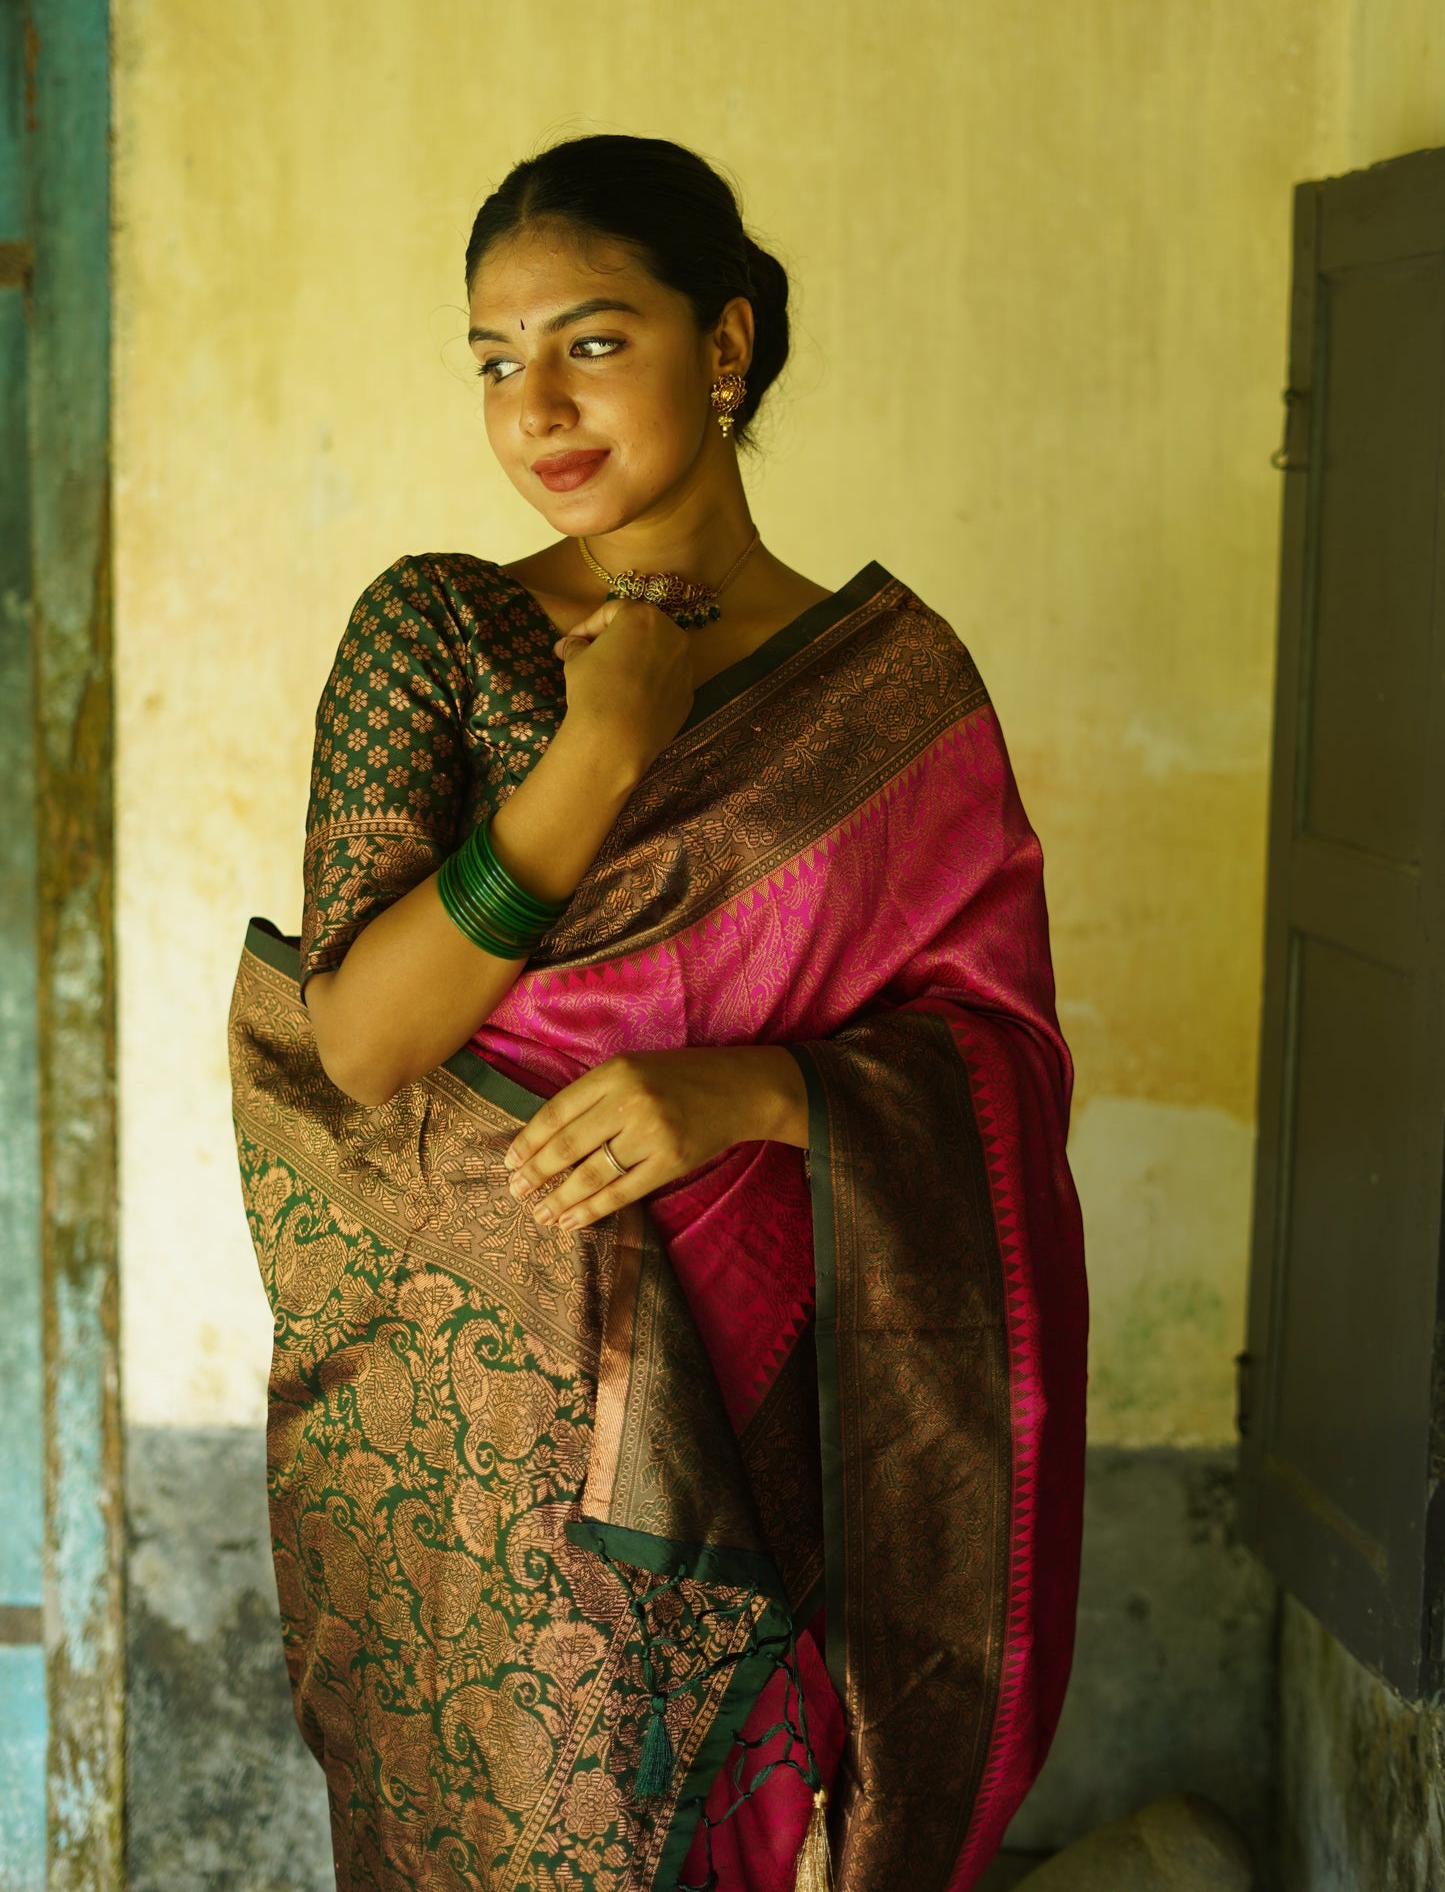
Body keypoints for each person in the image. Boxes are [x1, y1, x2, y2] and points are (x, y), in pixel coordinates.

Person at [230, 133, 1087, 1892]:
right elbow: (366, 1045)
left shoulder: (893, 695)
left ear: (727, 344)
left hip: (793, 1435)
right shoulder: (441, 632)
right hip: (492, 1468)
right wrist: (604, 745)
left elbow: (996, 1060)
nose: (533, 403)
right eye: (491, 358)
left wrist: (762, 1092)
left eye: (590, 340)